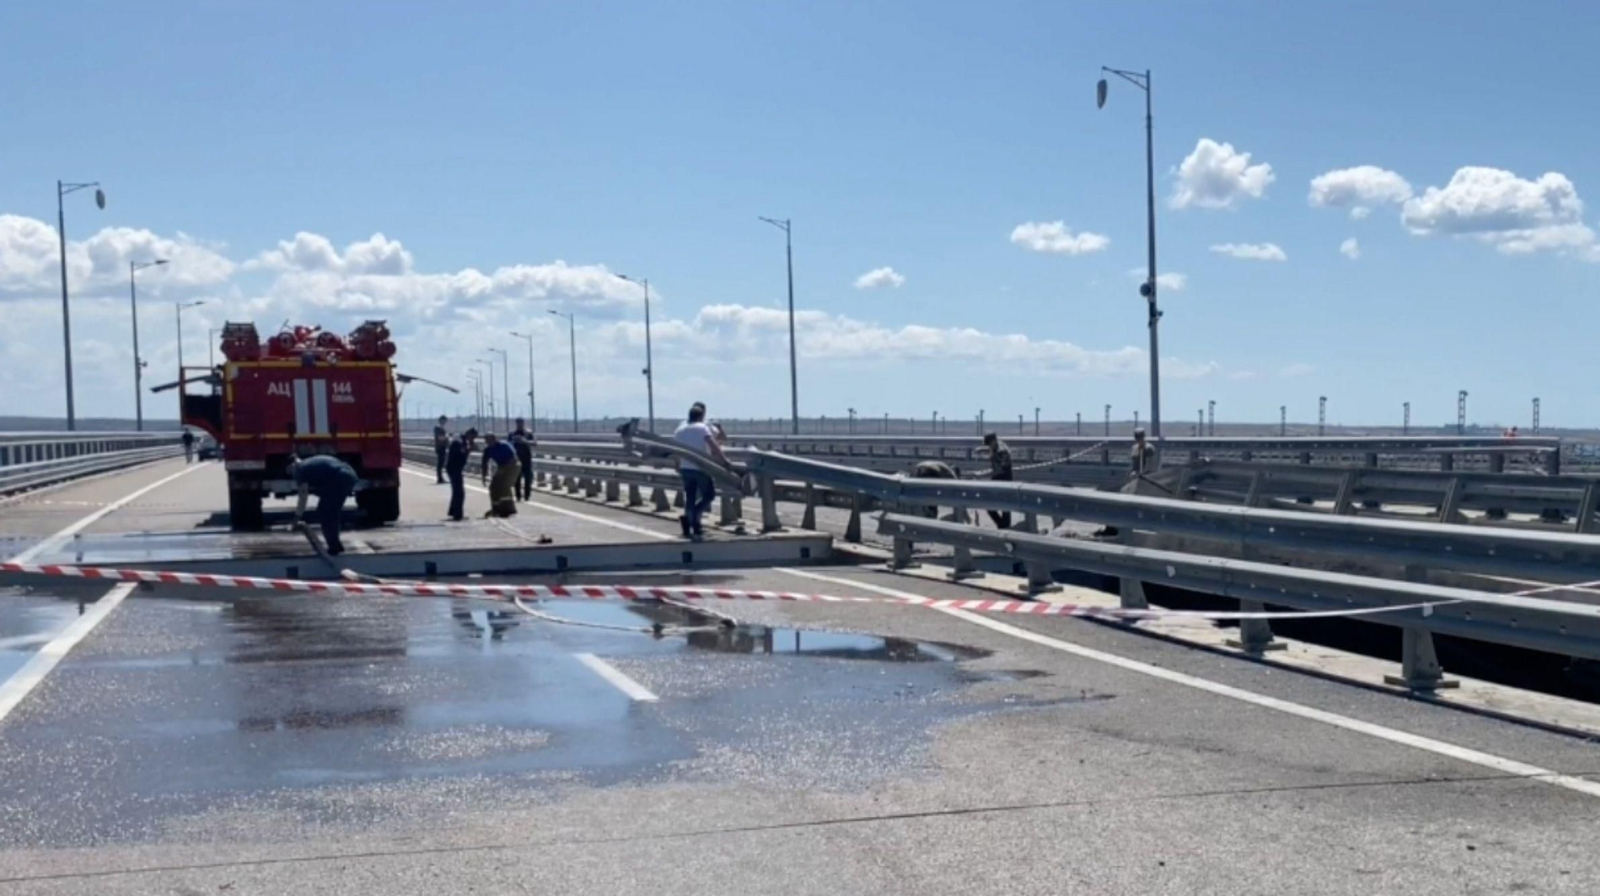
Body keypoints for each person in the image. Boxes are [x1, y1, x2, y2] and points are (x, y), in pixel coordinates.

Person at [673, 402, 729, 540]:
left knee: (690, 497)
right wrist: (724, 460)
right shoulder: (702, 428)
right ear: (701, 416)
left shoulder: (680, 430)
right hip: (700, 467)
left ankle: (690, 521)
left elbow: (676, 451)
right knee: (709, 495)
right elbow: (713, 445)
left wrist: (677, 465)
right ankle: (693, 517)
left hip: (685, 468)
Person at [291, 454, 359, 556]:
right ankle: (335, 545)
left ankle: (334, 546)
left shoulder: (300, 470)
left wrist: (297, 517)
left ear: (292, 465)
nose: (291, 473)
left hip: (339, 477)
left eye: (288, 470)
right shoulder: (309, 462)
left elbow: (303, 497)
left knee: (325, 512)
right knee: (333, 512)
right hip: (350, 475)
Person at [480, 433, 521, 517]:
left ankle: (509, 508)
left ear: (495, 439)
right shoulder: (488, 450)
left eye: (491, 440)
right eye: (487, 441)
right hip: (502, 466)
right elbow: (484, 464)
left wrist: (504, 471)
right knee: (494, 487)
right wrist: (483, 477)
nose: (489, 442)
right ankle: (496, 508)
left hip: (513, 465)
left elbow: (513, 459)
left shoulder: (504, 446)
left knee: (504, 486)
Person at [979, 432, 1013, 529]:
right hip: (1005, 479)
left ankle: (1003, 527)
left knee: (990, 505)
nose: (988, 446)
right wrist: (982, 450)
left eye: (989, 444)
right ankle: (1004, 527)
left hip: (1002, 480)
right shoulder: (1000, 445)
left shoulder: (1000, 452)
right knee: (1005, 507)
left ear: (993, 441)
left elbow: (998, 470)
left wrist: (982, 475)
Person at [445, 428, 476, 521]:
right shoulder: (459, 441)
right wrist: (469, 449)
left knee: (456, 491)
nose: (473, 439)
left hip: (455, 468)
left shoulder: (461, 441)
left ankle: (454, 511)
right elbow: (462, 454)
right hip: (454, 468)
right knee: (459, 492)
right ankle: (457, 514)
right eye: (472, 437)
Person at [510, 418, 535, 501]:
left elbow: (534, 443)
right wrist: (514, 441)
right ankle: (518, 496)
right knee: (517, 478)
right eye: (518, 423)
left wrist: (525, 441)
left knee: (528, 478)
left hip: (527, 458)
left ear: (523, 423)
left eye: (521, 423)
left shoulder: (528, 433)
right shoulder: (512, 434)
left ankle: (527, 495)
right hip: (516, 458)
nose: (519, 424)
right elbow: (508, 444)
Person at [432, 415, 450, 483]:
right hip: (440, 447)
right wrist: (446, 438)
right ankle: (440, 478)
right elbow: (440, 438)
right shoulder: (438, 428)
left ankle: (440, 477)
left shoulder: (440, 428)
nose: (445, 422)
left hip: (441, 447)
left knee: (441, 463)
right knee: (440, 463)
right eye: (444, 421)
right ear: (441, 420)